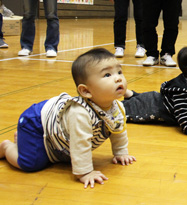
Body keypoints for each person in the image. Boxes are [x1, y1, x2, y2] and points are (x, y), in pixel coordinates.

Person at [0, 48, 136, 188]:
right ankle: (7, 147)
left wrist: (120, 152)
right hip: (35, 123)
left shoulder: (117, 107)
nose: (118, 78)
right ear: (85, 91)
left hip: (53, 131)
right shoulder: (80, 114)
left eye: (119, 72)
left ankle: (23, 141)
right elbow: (80, 143)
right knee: (32, 163)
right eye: (107, 75)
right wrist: (84, 172)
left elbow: (118, 130)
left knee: (60, 157)